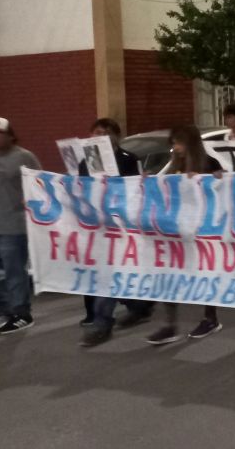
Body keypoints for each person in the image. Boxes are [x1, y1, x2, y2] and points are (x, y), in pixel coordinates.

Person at [146, 126, 224, 345]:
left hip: (202, 232)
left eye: (179, 143)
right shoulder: (174, 167)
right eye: (173, 143)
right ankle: (169, 325)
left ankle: (210, 318)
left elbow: (223, 190)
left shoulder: (209, 164)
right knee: (170, 276)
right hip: (177, 232)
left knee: (205, 274)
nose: (175, 148)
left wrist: (216, 180)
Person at [79, 118, 151, 346]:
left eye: (105, 133)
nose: (99, 137)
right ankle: (130, 310)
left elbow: (138, 192)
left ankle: (106, 321)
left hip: (124, 228)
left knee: (115, 274)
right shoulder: (86, 162)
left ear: (115, 137)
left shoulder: (129, 160)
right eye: (96, 132)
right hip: (99, 228)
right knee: (106, 275)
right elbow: (80, 190)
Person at [0, 117, 40, 335]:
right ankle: (0, 310)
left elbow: (39, 186)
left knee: (14, 272)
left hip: (12, 227)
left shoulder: (24, 157)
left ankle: (21, 314)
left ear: (10, 135)